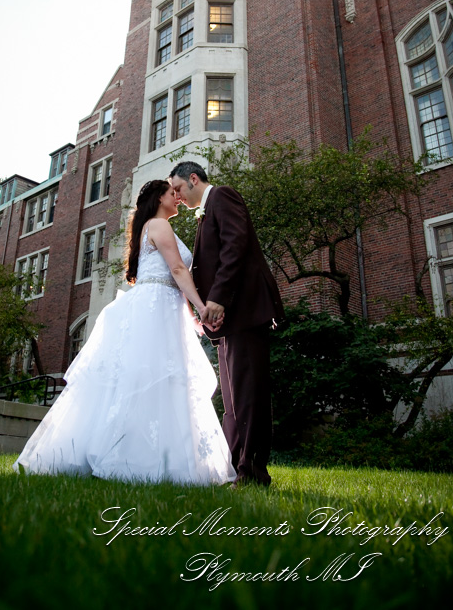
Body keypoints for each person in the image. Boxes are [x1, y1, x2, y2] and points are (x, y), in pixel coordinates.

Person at [14, 180, 235, 485]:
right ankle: (136, 459)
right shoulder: (158, 225)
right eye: (172, 193)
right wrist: (201, 306)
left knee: (153, 380)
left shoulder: (149, 227)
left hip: (162, 305)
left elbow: (172, 282)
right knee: (152, 379)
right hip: (155, 310)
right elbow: (177, 271)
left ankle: (154, 457)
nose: (177, 198)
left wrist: (192, 318)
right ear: (159, 198)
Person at [169, 161, 284, 487]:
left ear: (193, 179)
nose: (176, 196)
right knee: (233, 403)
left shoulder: (222, 196)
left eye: (178, 188)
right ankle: (234, 470)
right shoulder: (205, 213)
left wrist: (218, 297)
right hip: (229, 321)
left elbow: (236, 245)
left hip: (245, 312)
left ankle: (253, 473)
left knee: (249, 397)